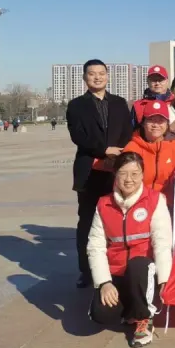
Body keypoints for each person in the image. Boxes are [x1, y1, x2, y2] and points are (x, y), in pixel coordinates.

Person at [87, 151, 173, 348]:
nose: (129, 179)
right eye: (123, 173)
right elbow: (95, 246)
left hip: (143, 273)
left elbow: (162, 243)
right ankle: (129, 310)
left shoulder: (155, 200)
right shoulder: (104, 204)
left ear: (142, 175)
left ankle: (144, 318)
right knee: (101, 315)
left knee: (138, 265)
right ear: (115, 175)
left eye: (135, 174)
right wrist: (104, 282)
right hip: (116, 272)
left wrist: (164, 280)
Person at [66, 59, 133, 289]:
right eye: (92, 74)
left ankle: (116, 267)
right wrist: (104, 150)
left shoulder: (119, 103)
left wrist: (116, 153)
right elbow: (78, 136)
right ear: (85, 78)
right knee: (87, 221)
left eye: (101, 73)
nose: (97, 77)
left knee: (117, 219)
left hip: (116, 170)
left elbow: (127, 131)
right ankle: (86, 270)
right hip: (89, 171)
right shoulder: (76, 105)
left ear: (107, 76)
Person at [123, 101, 175, 195]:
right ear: (143, 123)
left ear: (167, 124)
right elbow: (124, 181)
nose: (155, 125)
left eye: (160, 121)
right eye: (151, 120)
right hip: (139, 199)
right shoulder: (132, 148)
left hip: (167, 200)